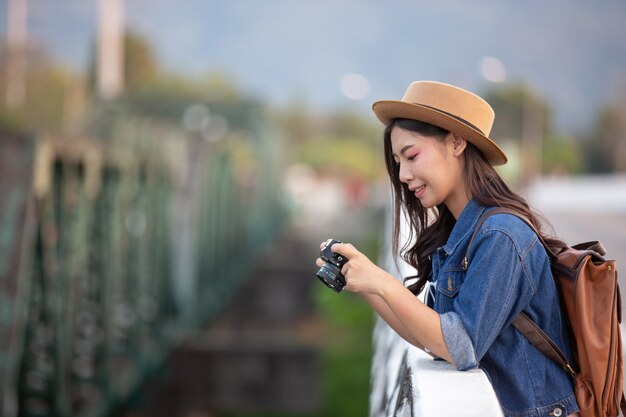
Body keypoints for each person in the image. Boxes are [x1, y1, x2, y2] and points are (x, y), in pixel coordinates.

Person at [316, 81, 579, 417]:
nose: (403, 175)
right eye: (397, 162)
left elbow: (459, 345)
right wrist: (365, 284)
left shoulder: (502, 235)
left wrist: (383, 283)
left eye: (411, 156)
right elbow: (432, 338)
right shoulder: (460, 234)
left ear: (456, 142)